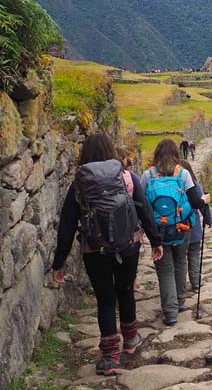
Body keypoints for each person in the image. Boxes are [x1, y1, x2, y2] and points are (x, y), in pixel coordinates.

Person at [51, 133, 163, 376]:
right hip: (128, 245)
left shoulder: (79, 184)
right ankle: (131, 339)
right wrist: (156, 241)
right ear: (112, 151)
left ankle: (111, 356)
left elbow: (67, 225)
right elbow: (144, 211)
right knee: (126, 291)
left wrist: (58, 262)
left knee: (105, 299)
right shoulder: (128, 178)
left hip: (95, 250)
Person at [141, 139, 210, 325]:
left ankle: (170, 313)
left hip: (158, 230)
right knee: (180, 261)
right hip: (182, 227)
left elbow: (141, 204)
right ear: (176, 154)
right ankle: (180, 302)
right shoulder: (183, 173)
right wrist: (204, 200)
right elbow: (195, 202)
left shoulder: (148, 175)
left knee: (164, 270)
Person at [180, 161, 212, 291]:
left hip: (179, 227)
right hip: (193, 228)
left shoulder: (174, 186)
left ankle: (180, 285)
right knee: (194, 255)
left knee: (180, 258)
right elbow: (203, 204)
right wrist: (208, 219)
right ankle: (196, 282)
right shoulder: (195, 186)